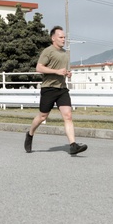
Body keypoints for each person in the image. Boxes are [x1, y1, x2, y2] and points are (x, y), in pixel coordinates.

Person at [24, 26, 87, 155]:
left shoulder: (65, 53)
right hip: (49, 88)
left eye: (64, 37)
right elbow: (39, 68)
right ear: (53, 38)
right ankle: (30, 134)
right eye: (61, 37)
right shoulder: (48, 51)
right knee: (42, 116)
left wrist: (67, 73)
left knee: (68, 116)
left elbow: (63, 69)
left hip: (62, 89)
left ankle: (73, 145)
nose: (64, 39)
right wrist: (57, 71)